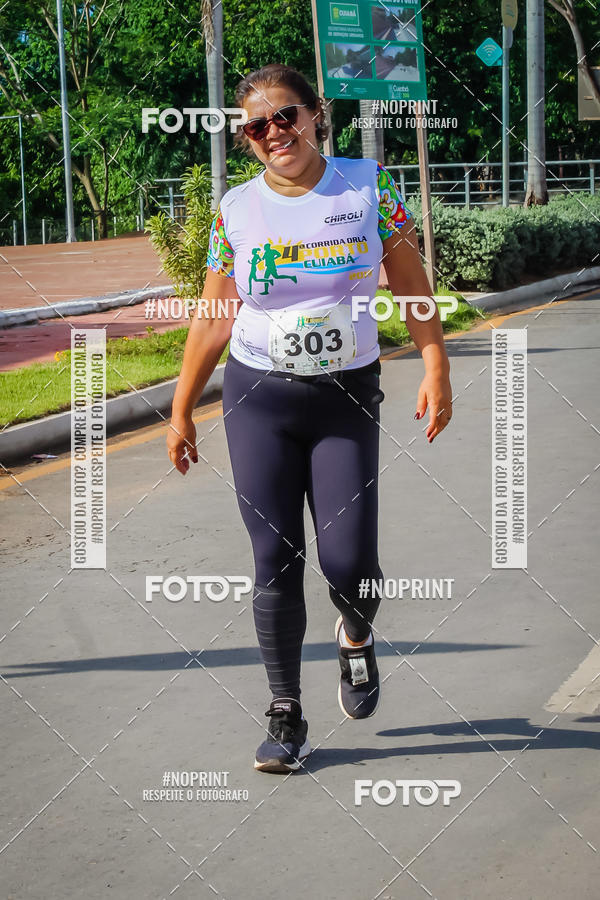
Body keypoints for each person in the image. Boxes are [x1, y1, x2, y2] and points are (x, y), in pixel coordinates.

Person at [167, 63, 452, 774]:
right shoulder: (236, 208)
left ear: (315, 114)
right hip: (256, 394)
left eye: (285, 116)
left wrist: (436, 363)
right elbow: (212, 314)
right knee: (274, 560)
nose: (273, 134)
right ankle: (285, 712)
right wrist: (180, 410)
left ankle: (355, 635)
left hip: (345, 395)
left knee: (350, 564)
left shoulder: (366, 186)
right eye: (255, 127)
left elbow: (411, 278)